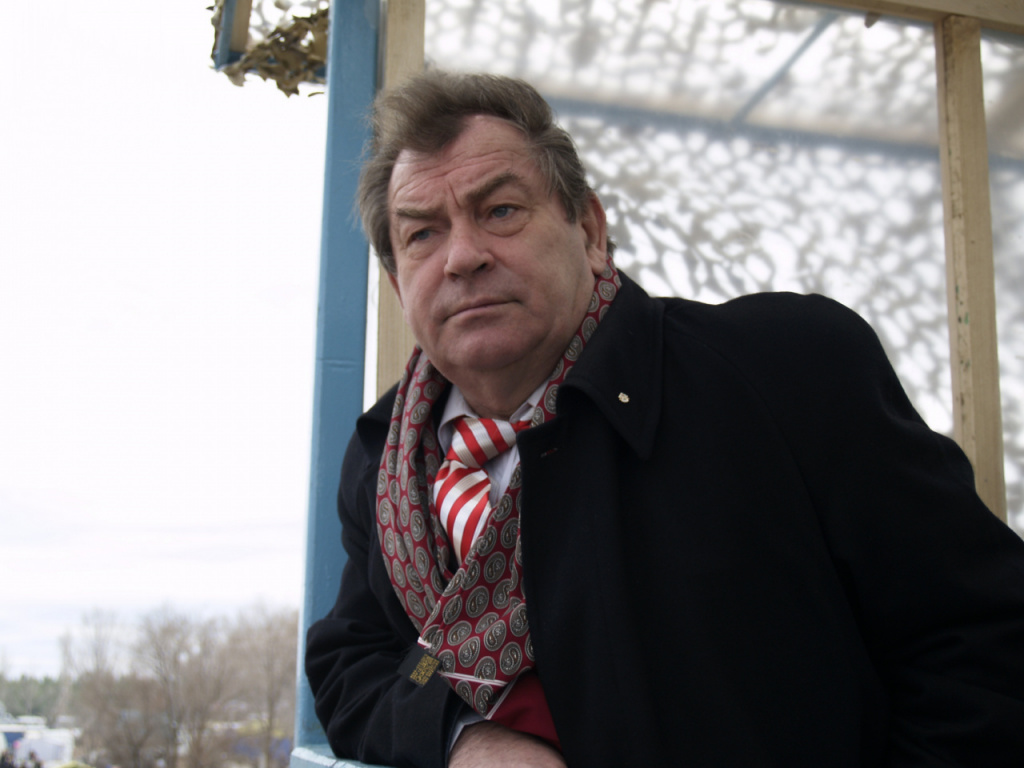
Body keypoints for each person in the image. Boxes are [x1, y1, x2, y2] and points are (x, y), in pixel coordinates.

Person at [304, 70, 1024, 767]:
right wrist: (463, 738)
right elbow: (357, 663)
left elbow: (981, 640)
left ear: (589, 230)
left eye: (500, 211)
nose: (462, 256)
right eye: (423, 235)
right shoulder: (384, 457)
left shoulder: (786, 370)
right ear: (398, 284)